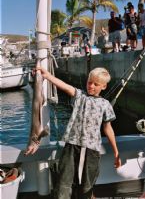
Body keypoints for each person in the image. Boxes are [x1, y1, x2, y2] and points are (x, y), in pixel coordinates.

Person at [36, 66, 122, 199]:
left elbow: (108, 128)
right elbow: (64, 86)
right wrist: (47, 75)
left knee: (87, 185)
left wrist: (116, 151)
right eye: (89, 82)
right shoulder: (79, 95)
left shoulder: (105, 105)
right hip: (71, 145)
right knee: (64, 181)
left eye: (96, 84)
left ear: (103, 87)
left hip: (91, 150)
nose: (91, 86)